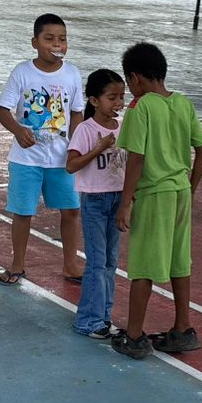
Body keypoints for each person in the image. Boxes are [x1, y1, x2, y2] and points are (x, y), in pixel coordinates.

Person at [112, 42, 202, 360]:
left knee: (142, 266)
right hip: (180, 192)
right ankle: (183, 328)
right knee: (180, 262)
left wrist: (126, 202)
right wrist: (191, 188)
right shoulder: (182, 103)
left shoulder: (140, 108)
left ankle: (134, 335)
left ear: (135, 77)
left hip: (154, 194)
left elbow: (136, 159)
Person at [0, 14, 84, 287]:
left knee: (71, 210)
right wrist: (17, 130)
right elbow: (2, 109)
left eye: (62, 39)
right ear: (35, 42)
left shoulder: (72, 73)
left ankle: (70, 264)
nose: (57, 44)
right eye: (49, 39)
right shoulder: (22, 72)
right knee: (23, 212)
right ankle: (18, 264)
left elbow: (76, 112)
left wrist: (75, 145)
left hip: (61, 159)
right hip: (26, 159)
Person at [66, 68, 126, 340]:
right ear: (93, 100)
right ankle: (88, 320)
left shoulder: (122, 126)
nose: (118, 103)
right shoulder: (86, 129)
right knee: (97, 262)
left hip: (117, 198)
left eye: (121, 97)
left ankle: (104, 316)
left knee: (111, 261)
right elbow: (71, 165)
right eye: (112, 98)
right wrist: (98, 148)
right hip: (95, 200)